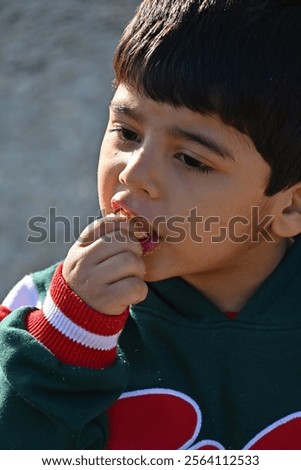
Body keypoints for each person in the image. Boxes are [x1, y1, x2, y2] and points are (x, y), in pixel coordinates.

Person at [0, 0, 301, 450]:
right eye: (127, 132)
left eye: (191, 159)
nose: (134, 174)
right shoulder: (42, 312)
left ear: (291, 205)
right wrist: (65, 345)